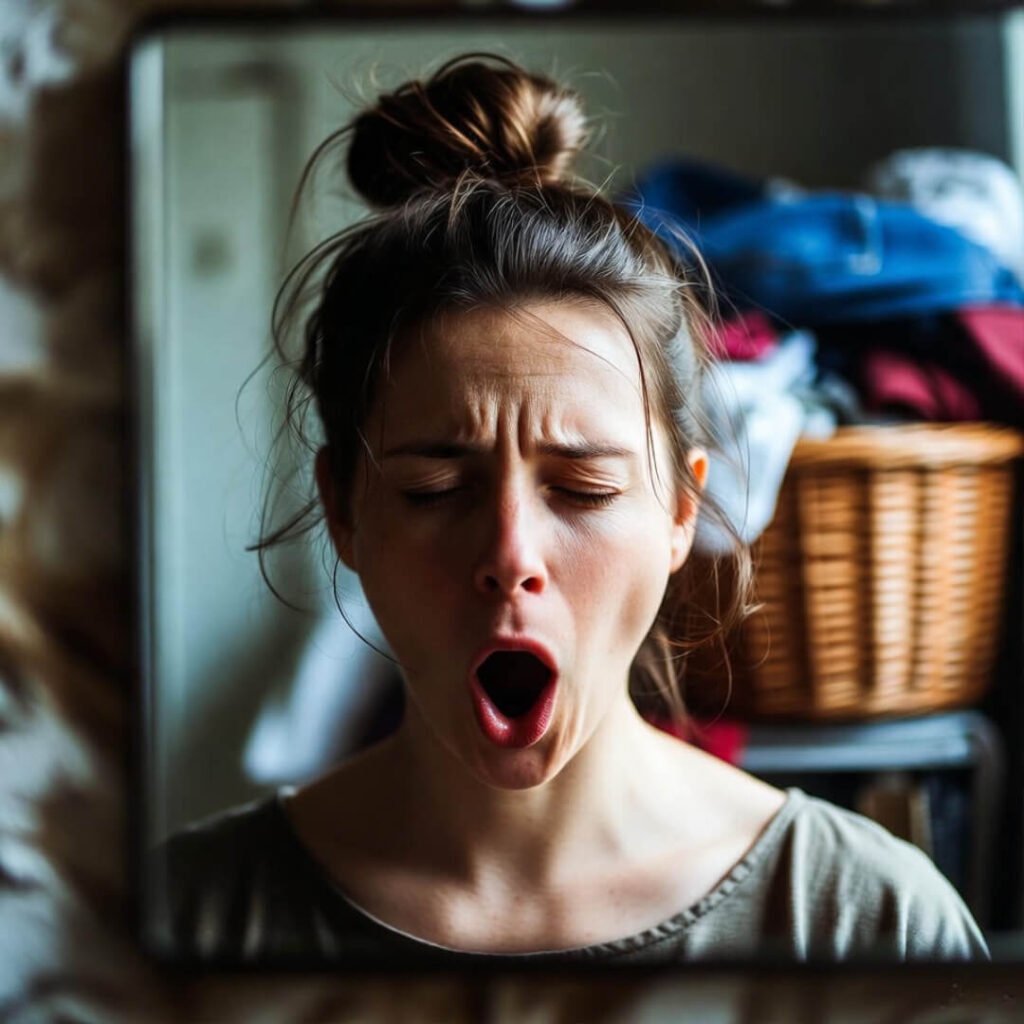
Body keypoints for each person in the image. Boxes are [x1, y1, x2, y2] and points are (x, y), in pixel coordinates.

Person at [156, 54, 988, 966]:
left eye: (584, 489)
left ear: (682, 509)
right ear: (344, 513)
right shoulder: (177, 923)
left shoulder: (870, 925)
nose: (511, 554)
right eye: (435, 490)